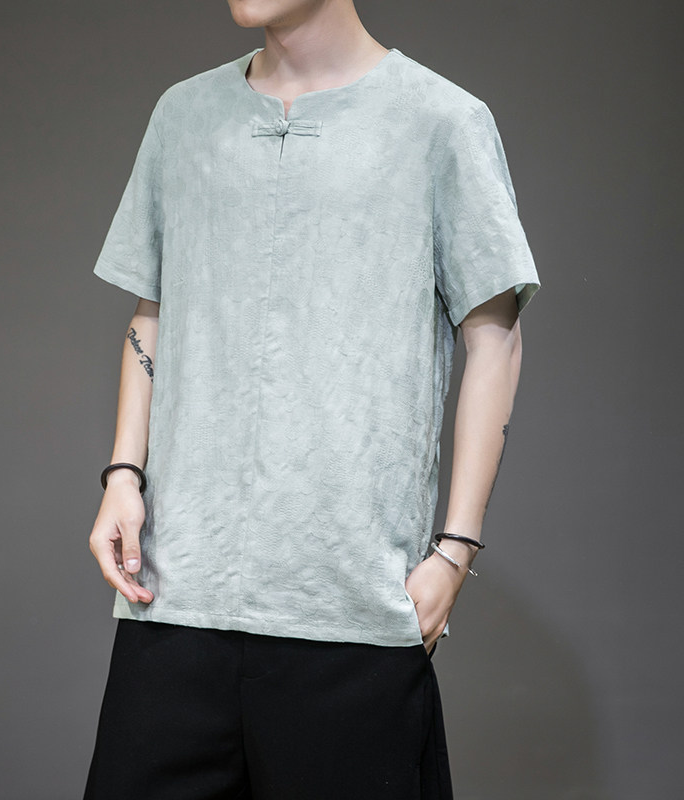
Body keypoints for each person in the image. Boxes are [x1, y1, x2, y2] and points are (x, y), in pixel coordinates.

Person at [83, 1, 540, 797]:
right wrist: (124, 474)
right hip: (176, 601)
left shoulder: (440, 122)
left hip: (351, 613)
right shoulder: (183, 116)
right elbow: (152, 309)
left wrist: (454, 553)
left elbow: (494, 338)